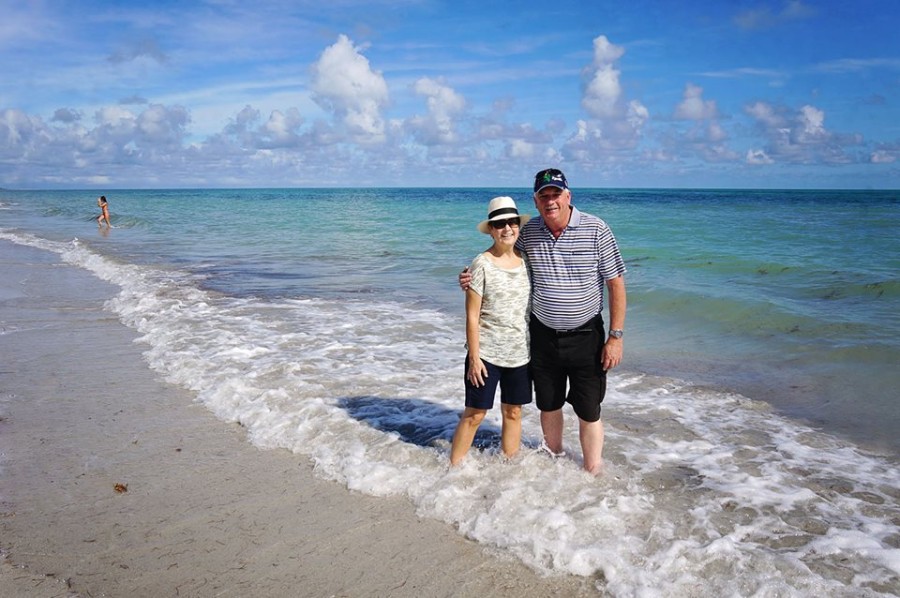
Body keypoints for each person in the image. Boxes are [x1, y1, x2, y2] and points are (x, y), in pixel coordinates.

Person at [460, 169, 626, 474]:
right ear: (536, 202)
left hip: (587, 335)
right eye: (543, 196)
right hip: (542, 337)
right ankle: (555, 464)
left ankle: (593, 471)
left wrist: (615, 336)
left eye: (555, 194)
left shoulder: (597, 229)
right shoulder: (530, 232)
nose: (550, 201)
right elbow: (500, 255)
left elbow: (615, 283)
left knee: (589, 409)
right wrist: (469, 277)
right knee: (548, 406)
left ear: (568, 196)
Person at [450, 196, 533, 466]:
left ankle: (508, 469)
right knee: (475, 414)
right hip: (486, 354)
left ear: (519, 226)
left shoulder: (527, 261)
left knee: (513, 412)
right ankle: (453, 468)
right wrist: (474, 359)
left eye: (512, 222)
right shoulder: (481, 264)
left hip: (521, 353)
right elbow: (472, 316)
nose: (507, 228)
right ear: (492, 229)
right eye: (499, 224)